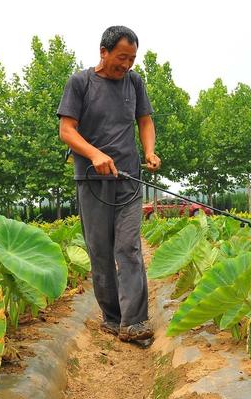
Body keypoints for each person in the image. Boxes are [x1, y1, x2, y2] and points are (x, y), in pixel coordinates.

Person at [57, 26, 161, 343]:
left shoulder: (134, 82)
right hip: (91, 180)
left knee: (128, 246)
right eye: (121, 57)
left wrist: (149, 151)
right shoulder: (80, 83)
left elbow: (144, 121)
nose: (126, 65)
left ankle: (134, 322)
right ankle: (113, 318)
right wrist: (94, 154)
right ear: (103, 52)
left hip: (128, 178)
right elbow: (67, 130)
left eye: (131, 59)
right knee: (100, 251)